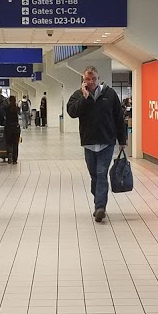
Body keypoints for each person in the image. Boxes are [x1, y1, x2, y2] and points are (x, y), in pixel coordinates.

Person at [67, 66, 127, 223]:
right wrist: (84, 98)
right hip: (89, 143)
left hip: (106, 142)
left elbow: (119, 117)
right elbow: (72, 112)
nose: (91, 82)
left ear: (98, 78)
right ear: (83, 80)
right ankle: (98, 200)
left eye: (93, 79)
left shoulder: (110, 94)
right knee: (94, 175)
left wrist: (122, 140)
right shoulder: (78, 95)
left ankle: (100, 207)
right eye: (87, 79)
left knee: (101, 174)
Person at [3, 95, 21, 164]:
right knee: (15, 144)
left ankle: (9, 154)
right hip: (16, 127)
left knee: (8, 143)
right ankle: (15, 159)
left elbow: (2, 110)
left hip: (8, 127)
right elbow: (19, 113)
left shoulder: (6, 108)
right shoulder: (17, 108)